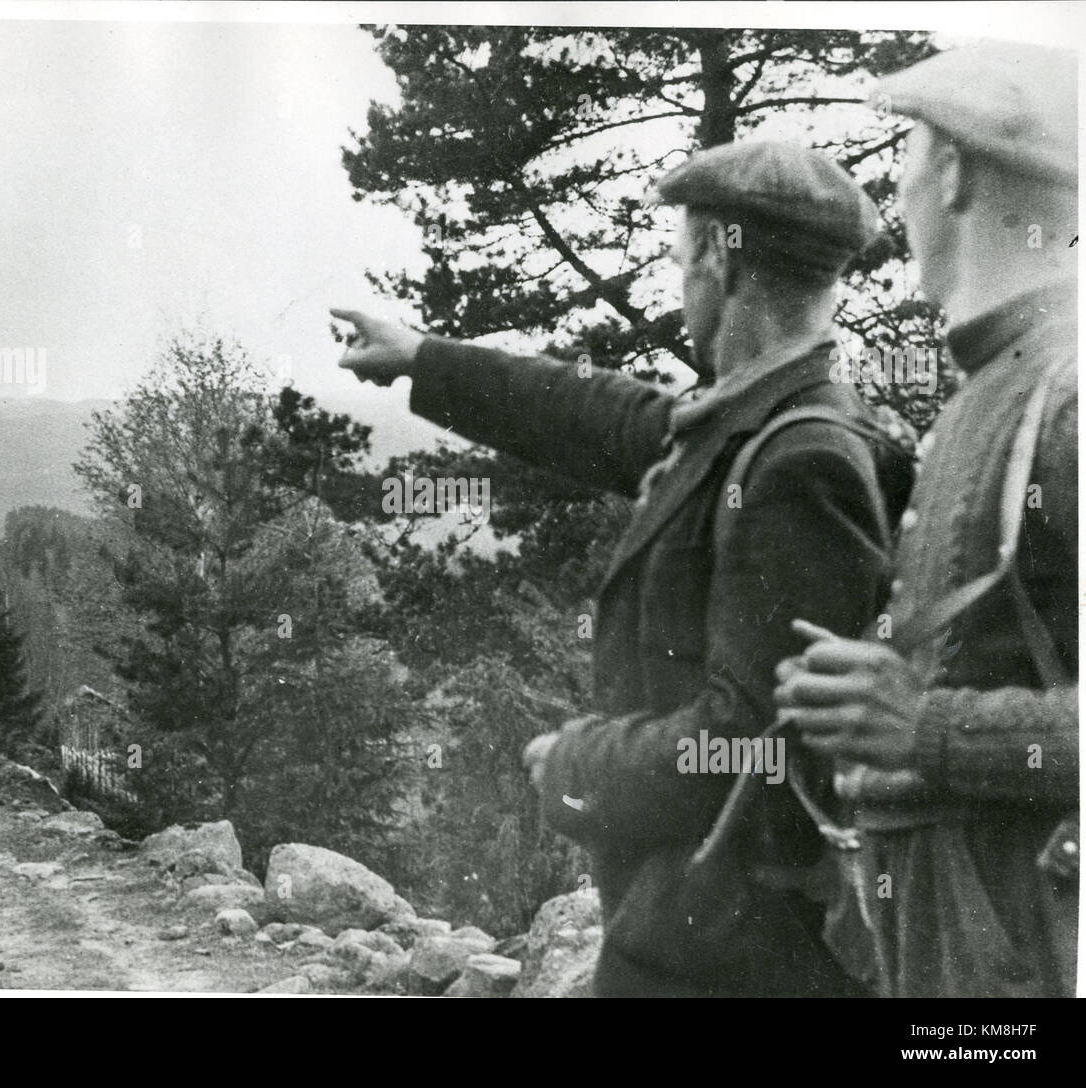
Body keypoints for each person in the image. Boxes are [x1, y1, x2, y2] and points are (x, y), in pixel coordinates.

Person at [334, 139, 910, 996]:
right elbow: (597, 413)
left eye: (681, 258)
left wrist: (579, 764)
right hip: (706, 934)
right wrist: (425, 357)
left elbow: (746, 744)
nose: (681, 281)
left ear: (719, 258)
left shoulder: (801, 462)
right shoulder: (755, 423)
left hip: (738, 960)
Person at [774, 41, 1078, 997]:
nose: (898, 193)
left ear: (950, 173)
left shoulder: (1066, 396)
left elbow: (938, 722)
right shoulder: (1001, 382)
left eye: (908, 156)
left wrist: (926, 726)